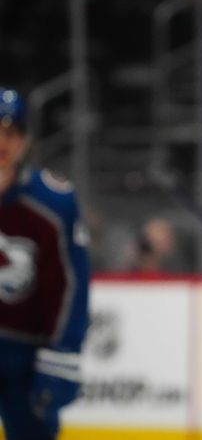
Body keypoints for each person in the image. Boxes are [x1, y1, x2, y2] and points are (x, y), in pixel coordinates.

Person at [0, 87, 91, 439]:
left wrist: (62, 353)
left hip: (27, 354)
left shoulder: (52, 203)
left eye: (11, 132)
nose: (3, 143)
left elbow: (71, 284)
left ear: (25, 140)